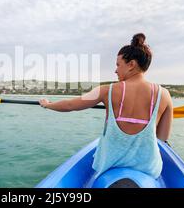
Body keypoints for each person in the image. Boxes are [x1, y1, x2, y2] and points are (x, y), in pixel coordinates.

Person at [39, 33, 173, 179]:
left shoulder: (106, 91)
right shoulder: (164, 95)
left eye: (118, 65)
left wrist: (48, 105)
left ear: (131, 65)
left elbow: (70, 105)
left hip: (109, 166)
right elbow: (162, 138)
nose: (115, 70)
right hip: (148, 169)